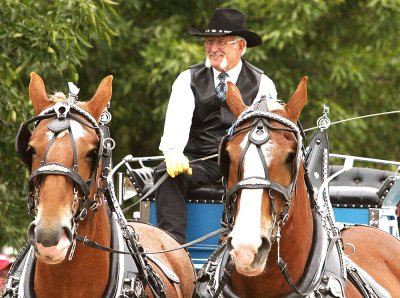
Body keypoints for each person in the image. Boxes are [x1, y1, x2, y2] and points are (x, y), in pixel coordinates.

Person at [155, 8, 278, 244]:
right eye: (209, 42)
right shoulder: (187, 79)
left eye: (221, 42)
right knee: (165, 174)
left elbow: (267, 136)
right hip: (199, 162)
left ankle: (232, 244)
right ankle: (173, 247)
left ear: (240, 47)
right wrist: (173, 153)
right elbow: (176, 123)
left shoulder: (263, 84)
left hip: (241, 163)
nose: (212, 49)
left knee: (253, 180)